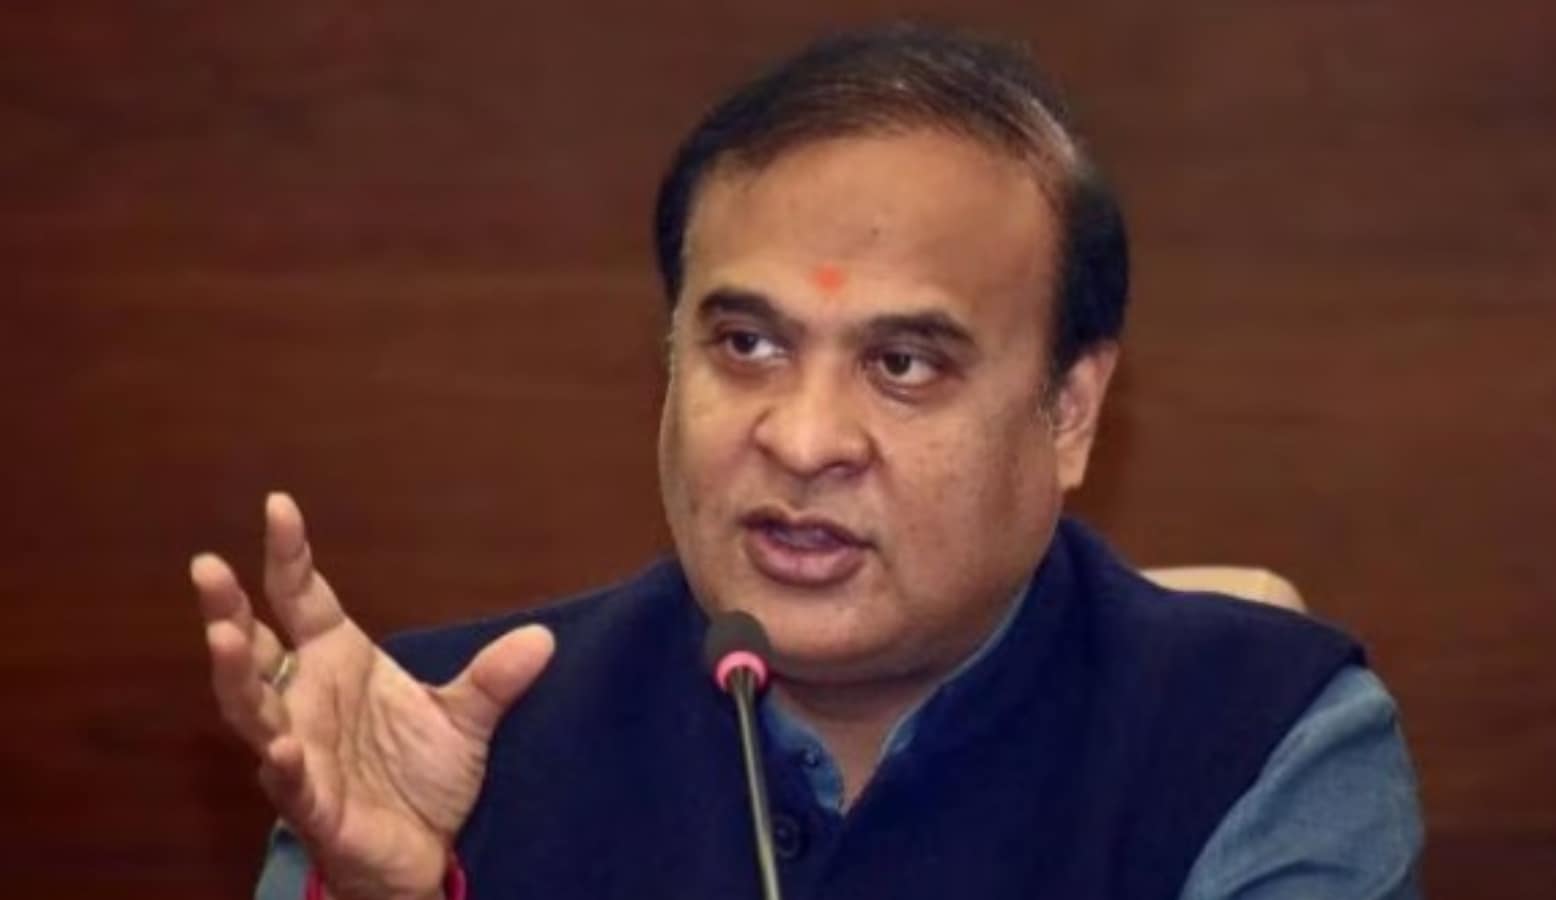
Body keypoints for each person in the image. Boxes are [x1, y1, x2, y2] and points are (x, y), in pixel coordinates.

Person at [193, 24, 1423, 900]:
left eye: (903, 364)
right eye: (747, 345)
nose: (802, 438)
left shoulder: (1263, 740)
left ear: (1067, 412)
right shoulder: (429, 742)